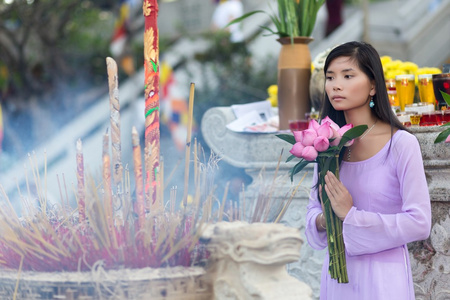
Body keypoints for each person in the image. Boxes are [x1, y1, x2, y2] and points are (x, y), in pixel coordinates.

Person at [304, 41, 431, 299]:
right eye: (330, 77)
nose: (335, 85)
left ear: (373, 85)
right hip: (337, 279)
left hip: (383, 278)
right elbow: (313, 210)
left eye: (348, 76)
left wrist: (351, 216)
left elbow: (420, 223)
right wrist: (325, 218)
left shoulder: (400, 144)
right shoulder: (327, 145)